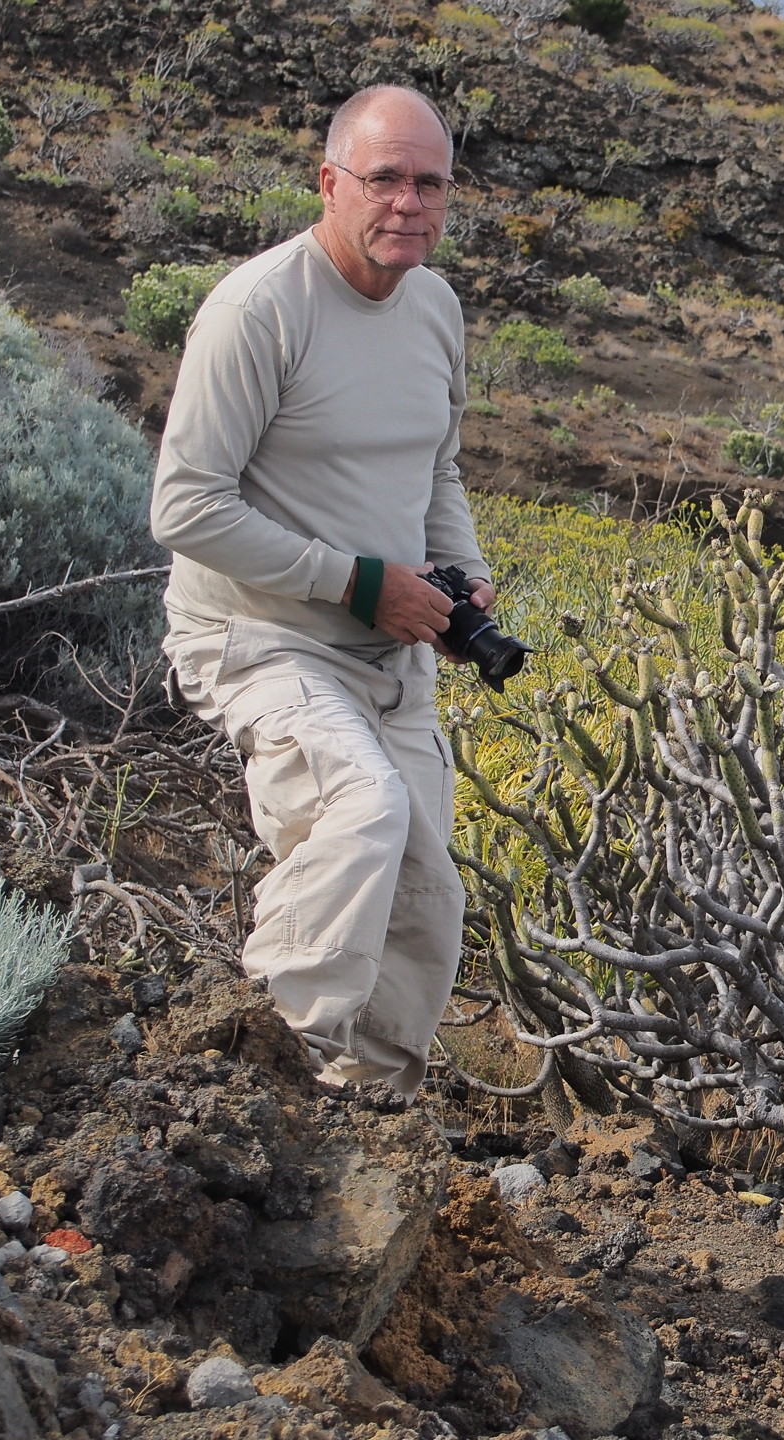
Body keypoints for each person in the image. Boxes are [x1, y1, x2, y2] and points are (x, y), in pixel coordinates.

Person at [150, 84, 492, 1096]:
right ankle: (260, 1074)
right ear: (329, 182)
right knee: (362, 809)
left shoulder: (435, 308)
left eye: (431, 184)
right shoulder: (260, 310)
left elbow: (438, 466)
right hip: (260, 636)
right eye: (385, 178)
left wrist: (459, 571)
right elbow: (185, 508)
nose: (409, 204)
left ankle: (367, 1107)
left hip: (389, 647)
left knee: (425, 896)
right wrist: (358, 584)